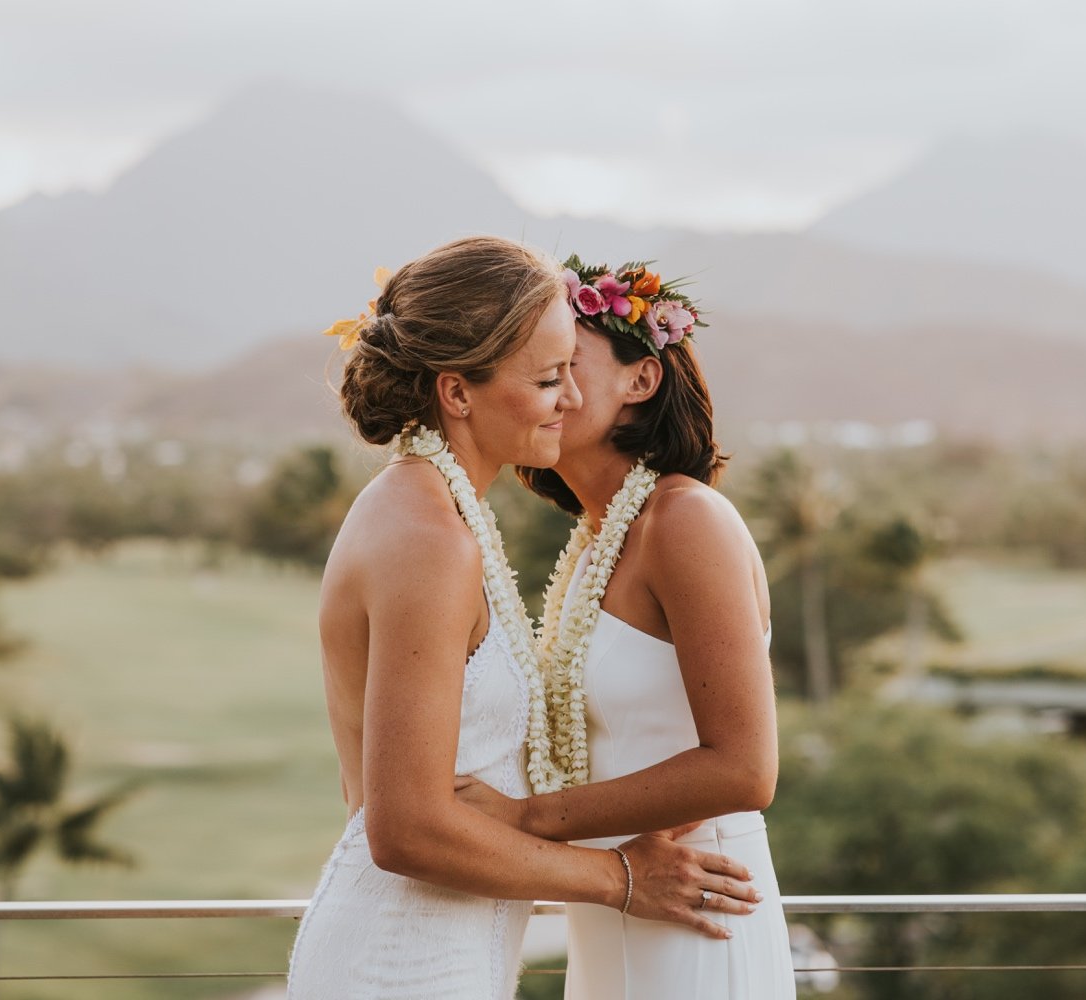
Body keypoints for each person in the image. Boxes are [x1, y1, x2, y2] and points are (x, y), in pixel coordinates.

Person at [287, 237, 759, 1000]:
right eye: (547, 378)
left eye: (573, 371)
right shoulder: (427, 538)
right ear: (457, 392)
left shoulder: (432, 512)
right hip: (404, 959)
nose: (569, 398)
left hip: (448, 945)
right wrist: (619, 878)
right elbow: (405, 827)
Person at [459, 254, 795, 998]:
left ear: (642, 381)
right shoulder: (596, 538)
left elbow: (745, 768)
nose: (545, 387)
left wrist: (527, 818)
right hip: (615, 906)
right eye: (533, 369)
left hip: (700, 909)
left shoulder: (686, 520)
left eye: (564, 364)